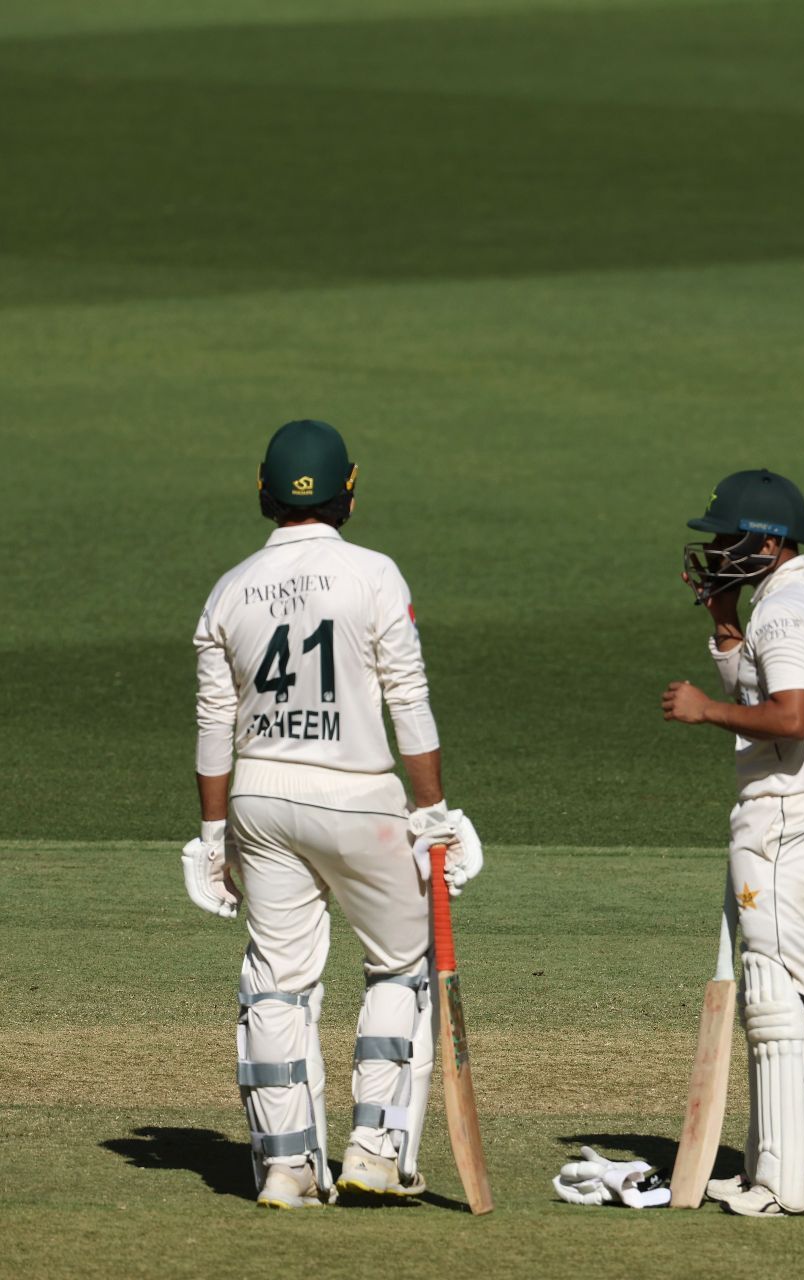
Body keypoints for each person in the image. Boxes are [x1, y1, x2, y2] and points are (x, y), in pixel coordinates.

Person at [185, 418, 482, 1208]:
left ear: (263, 491)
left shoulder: (229, 590)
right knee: (401, 964)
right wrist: (435, 811)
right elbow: (407, 701)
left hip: (260, 799)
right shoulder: (374, 574)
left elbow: (215, 727)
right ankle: (378, 1149)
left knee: (277, 985)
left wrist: (213, 834)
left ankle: (287, 1167)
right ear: (350, 490)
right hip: (360, 797)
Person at [663, 470, 804, 1217]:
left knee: (783, 995)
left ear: (768, 541)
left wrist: (706, 711)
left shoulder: (788, 611)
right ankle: (777, 1164)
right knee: (784, 989)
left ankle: (792, 1181)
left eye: (728, 538)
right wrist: (724, 623)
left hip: (789, 817)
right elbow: (767, 683)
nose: (716, 551)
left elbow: (790, 716)